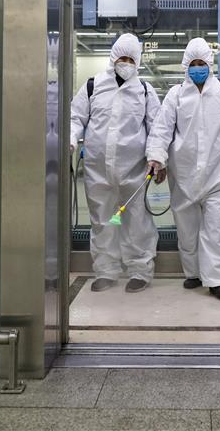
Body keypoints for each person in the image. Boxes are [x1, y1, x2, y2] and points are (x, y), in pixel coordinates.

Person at [145, 38, 220, 300]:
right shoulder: (176, 95)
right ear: (186, 65)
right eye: (193, 64)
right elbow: (162, 129)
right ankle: (193, 273)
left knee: (217, 229)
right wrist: (157, 156)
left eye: (202, 63)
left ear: (210, 64)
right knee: (187, 230)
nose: (198, 68)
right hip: (183, 175)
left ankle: (217, 280)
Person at [70, 33, 161, 293]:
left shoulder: (145, 91)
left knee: (136, 221)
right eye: (122, 58)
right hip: (98, 170)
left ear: (138, 61)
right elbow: (75, 117)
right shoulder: (93, 86)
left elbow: (157, 128)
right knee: (103, 221)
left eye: (131, 59)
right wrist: (71, 139)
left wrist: (157, 157)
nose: (126, 63)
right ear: (113, 58)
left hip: (134, 170)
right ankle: (106, 271)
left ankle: (140, 271)